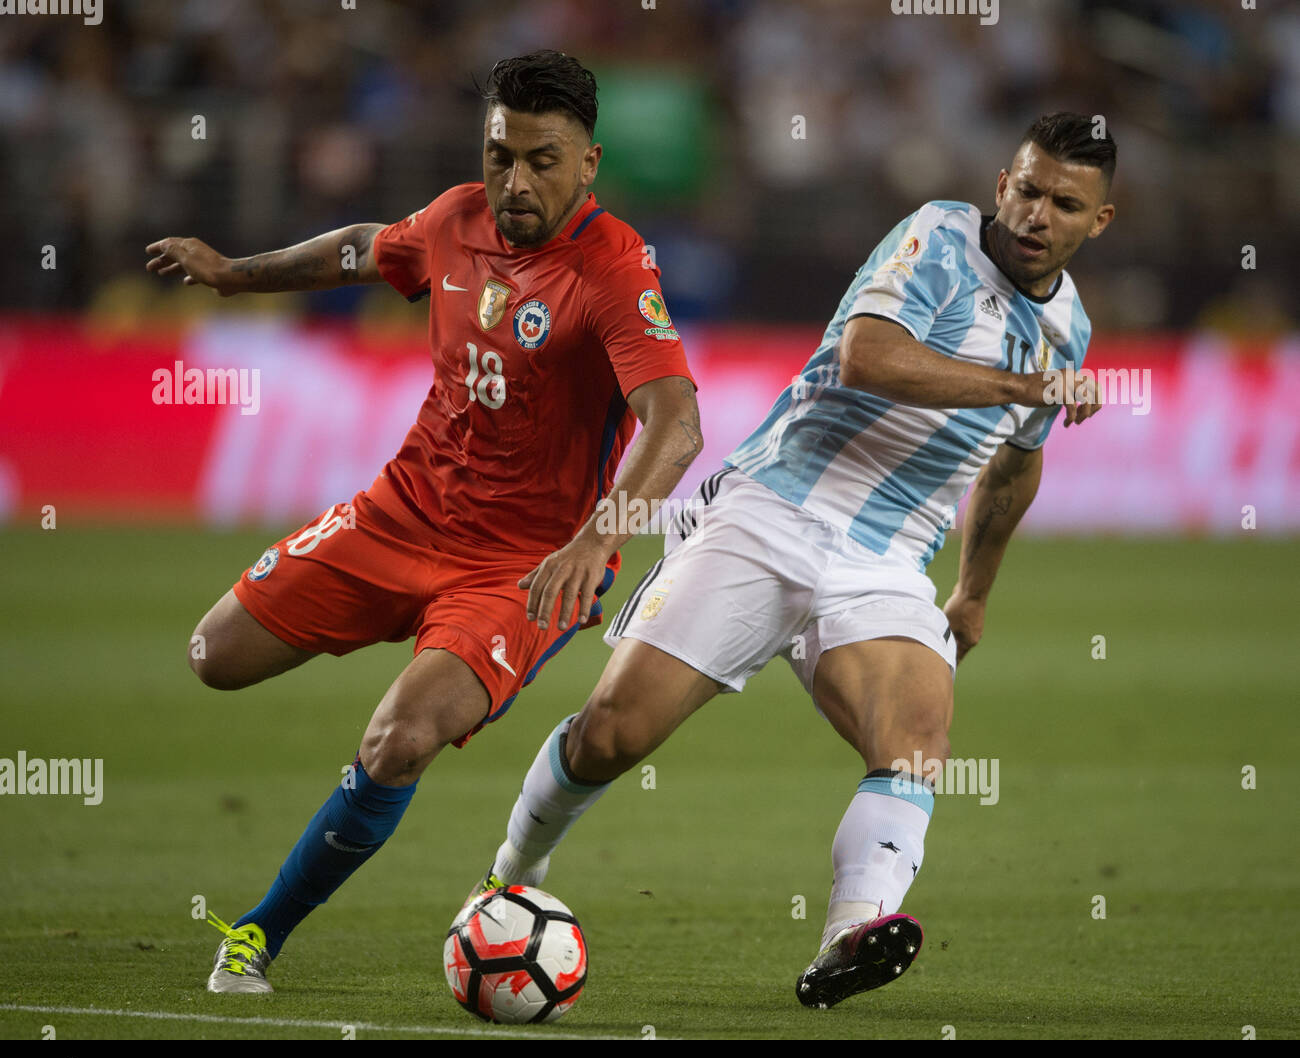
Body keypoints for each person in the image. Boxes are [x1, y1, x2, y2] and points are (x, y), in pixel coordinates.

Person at [472, 112, 1115, 1008]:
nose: (1037, 214)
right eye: (1028, 189)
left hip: (888, 558)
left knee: (918, 749)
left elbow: (1016, 460)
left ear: (1099, 221)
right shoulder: (938, 237)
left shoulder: (1069, 329)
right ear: (1002, 183)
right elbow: (868, 358)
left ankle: (850, 935)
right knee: (613, 734)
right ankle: (510, 874)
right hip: (774, 506)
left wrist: (971, 592)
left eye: (1064, 203)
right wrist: (1026, 387)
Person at [145, 50, 701, 993]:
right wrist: (237, 277)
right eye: (500, 155)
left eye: (543, 159)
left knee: (398, 739)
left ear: (590, 161)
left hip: (524, 567)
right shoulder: (455, 220)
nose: (516, 181)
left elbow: (676, 425)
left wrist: (596, 539)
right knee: (215, 657)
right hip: (399, 513)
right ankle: (400, 632)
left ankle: (257, 934)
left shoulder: (612, 268)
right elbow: (365, 246)